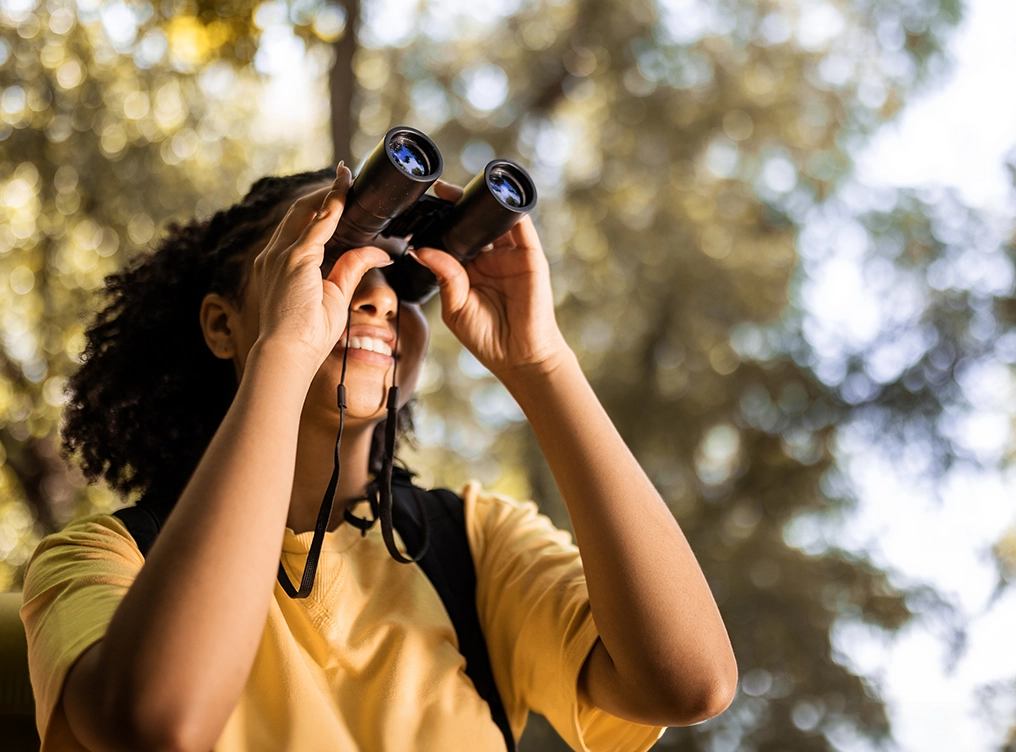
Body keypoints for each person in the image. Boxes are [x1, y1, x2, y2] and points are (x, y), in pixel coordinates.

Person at [20, 162, 738, 751]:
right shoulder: (102, 559)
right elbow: (160, 721)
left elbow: (688, 684)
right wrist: (285, 350)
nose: (379, 298)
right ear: (221, 323)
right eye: (333, 260)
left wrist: (542, 364)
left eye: (403, 282)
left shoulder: (473, 545)